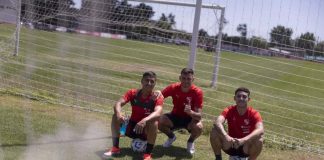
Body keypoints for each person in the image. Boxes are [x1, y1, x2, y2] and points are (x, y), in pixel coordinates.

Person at [103, 71, 164, 160]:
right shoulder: (133, 93)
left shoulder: (157, 97)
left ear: (155, 84)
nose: (149, 83)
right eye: (147, 80)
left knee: (154, 123)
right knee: (115, 116)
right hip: (131, 127)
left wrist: (144, 120)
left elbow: (158, 112)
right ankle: (115, 148)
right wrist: (119, 115)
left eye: (152, 82)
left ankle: (147, 155)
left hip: (145, 130)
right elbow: (118, 103)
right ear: (142, 81)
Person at [210, 87, 264, 160]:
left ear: (248, 99)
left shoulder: (253, 113)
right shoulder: (229, 110)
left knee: (259, 139)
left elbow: (260, 129)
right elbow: (217, 122)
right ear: (234, 98)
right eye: (239, 96)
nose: (241, 98)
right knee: (215, 131)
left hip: (246, 146)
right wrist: (226, 136)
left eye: (244, 97)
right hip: (231, 143)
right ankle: (218, 158)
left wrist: (244, 140)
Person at [158, 68, 203, 154]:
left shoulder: (198, 92)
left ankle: (190, 142)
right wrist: (157, 93)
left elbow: (199, 116)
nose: (186, 81)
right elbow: (160, 96)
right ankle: (171, 137)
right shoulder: (173, 87)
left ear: (193, 79)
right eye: (183, 78)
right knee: (159, 120)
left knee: (199, 127)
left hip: (190, 119)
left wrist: (191, 112)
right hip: (175, 116)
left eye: (189, 79)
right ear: (180, 78)